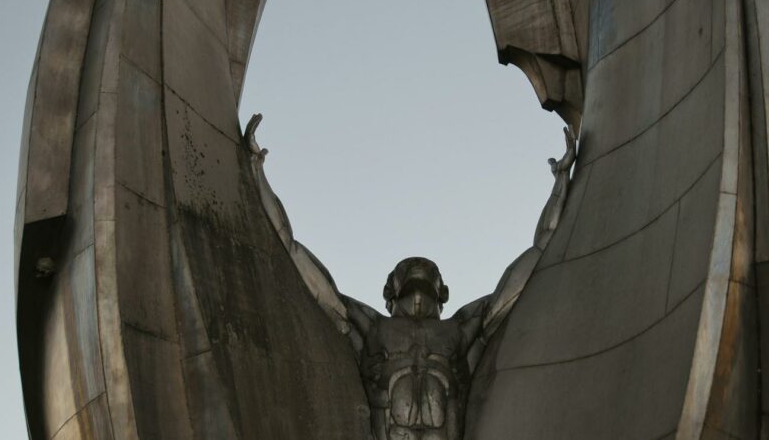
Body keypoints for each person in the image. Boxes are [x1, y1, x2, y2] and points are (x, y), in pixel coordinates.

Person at [245, 114, 577, 440]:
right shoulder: (371, 326)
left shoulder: (462, 328)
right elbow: (293, 253)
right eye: (408, 272)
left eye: (428, 273)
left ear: (442, 292)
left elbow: (539, 254)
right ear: (389, 291)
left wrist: (561, 183)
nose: (419, 273)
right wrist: (256, 173)